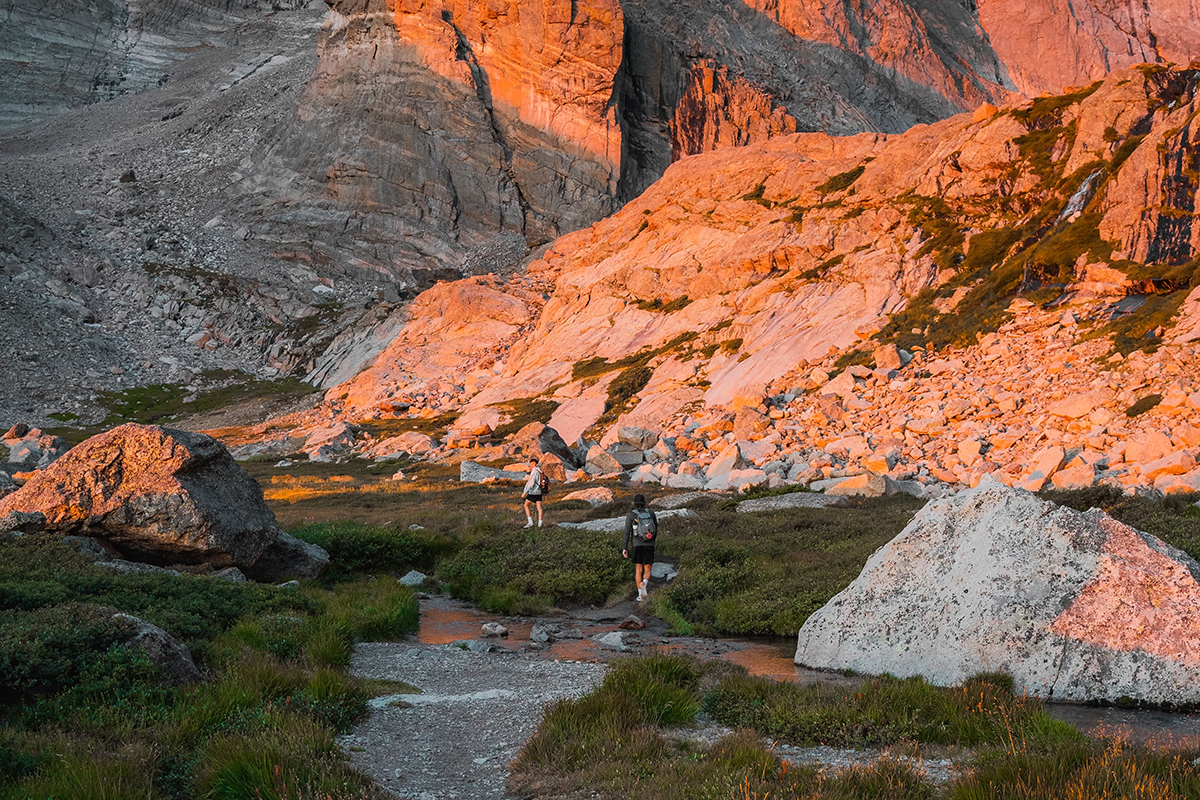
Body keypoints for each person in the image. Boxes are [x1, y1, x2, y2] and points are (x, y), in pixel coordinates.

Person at [622, 494, 658, 602]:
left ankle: (640, 595)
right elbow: (655, 529)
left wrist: (625, 547)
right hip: (649, 545)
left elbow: (627, 532)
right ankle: (645, 582)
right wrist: (652, 541)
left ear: (634, 503)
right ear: (645, 503)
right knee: (648, 568)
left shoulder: (631, 515)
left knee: (638, 569)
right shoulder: (651, 513)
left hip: (636, 545)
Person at [522, 456, 545, 528]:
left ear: (536, 464)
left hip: (533, 492)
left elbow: (530, 483)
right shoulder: (540, 471)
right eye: (531, 464)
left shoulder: (534, 472)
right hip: (539, 492)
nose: (532, 466)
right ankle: (540, 524)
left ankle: (530, 522)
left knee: (526, 505)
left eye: (533, 464)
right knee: (539, 508)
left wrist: (525, 492)